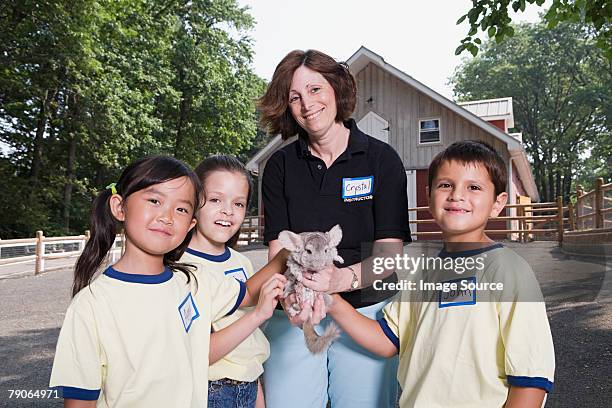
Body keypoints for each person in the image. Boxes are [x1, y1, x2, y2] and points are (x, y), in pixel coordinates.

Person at [328, 141, 555, 407]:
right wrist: (331, 300)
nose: (457, 195)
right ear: (429, 196)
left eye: (474, 187)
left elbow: (531, 381)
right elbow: (387, 341)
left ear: (497, 203)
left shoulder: (509, 271)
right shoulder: (422, 273)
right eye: (445, 185)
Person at [49, 156, 286, 408]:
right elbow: (80, 402)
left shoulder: (194, 281)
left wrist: (292, 252)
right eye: (154, 200)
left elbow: (247, 293)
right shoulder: (90, 305)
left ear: (190, 223)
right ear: (119, 207)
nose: (167, 216)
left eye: (181, 209)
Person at [258, 49, 411, 408]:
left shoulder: (381, 160)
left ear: (336, 89)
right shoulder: (279, 167)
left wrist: (340, 282)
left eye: (315, 89)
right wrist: (292, 301)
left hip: (366, 310)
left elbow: (390, 254)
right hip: (299, 311)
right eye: (295, 97)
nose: (306, 103)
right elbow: (277, 253)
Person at [180, 155, 268, 408]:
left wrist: (258, 397)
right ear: (194, 201)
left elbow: (248, 344)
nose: (228, 211)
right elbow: (196, 353)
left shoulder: (242, 263)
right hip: (209, 389)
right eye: (216, 199)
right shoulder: (181, 267)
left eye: (239, 204)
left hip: (249, 387)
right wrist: (258, 314)